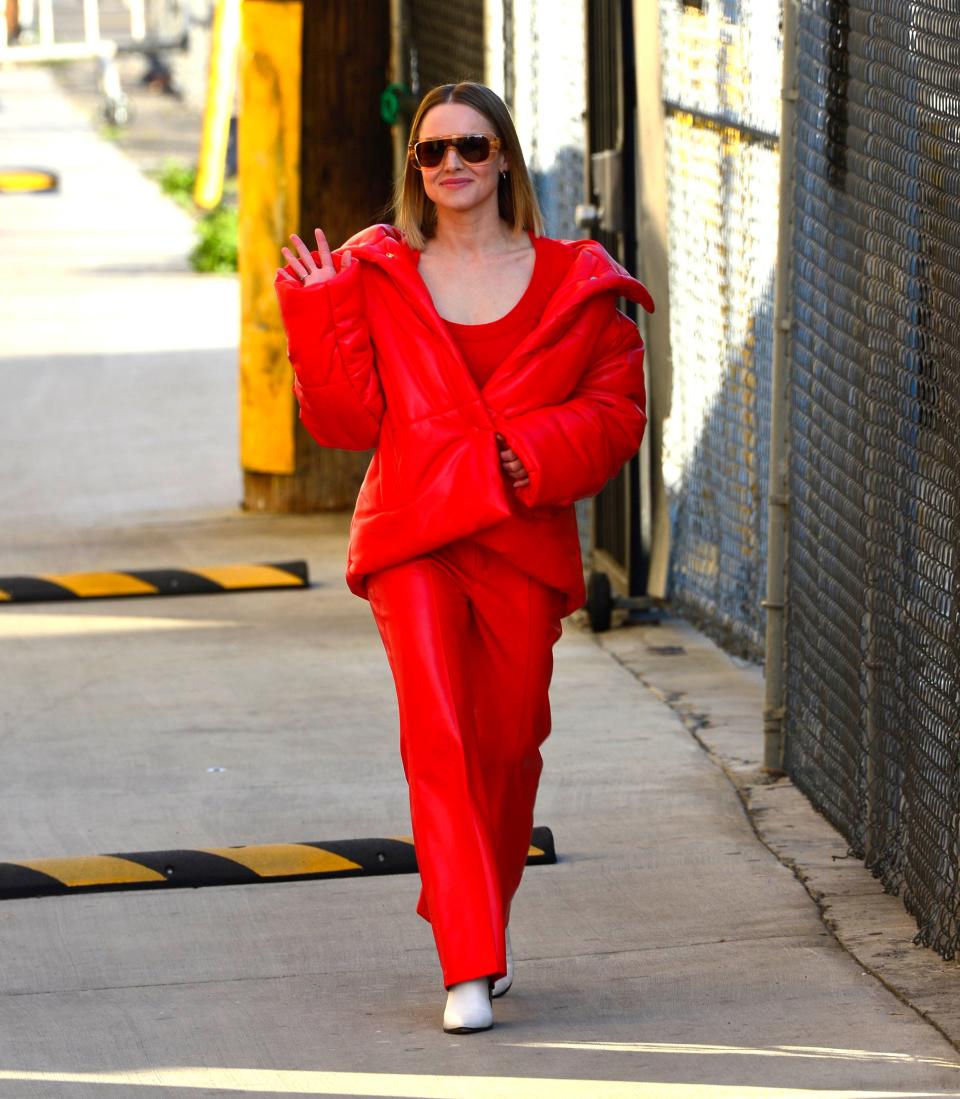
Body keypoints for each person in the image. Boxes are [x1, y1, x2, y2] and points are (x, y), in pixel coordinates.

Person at [274, 81, 653, 1034]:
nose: (452, 166)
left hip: (519, 540)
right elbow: (346, 421)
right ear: (416, 169)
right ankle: (468, 966)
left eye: (471, 148)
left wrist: (533, 452)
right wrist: (321, 321)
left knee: (511, 742)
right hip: (412, 531)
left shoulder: (577, 279)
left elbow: (619, 411)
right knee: (438, 738)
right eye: (432, 152)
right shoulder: (372, 271)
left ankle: (474, 911)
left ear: (506, 159)